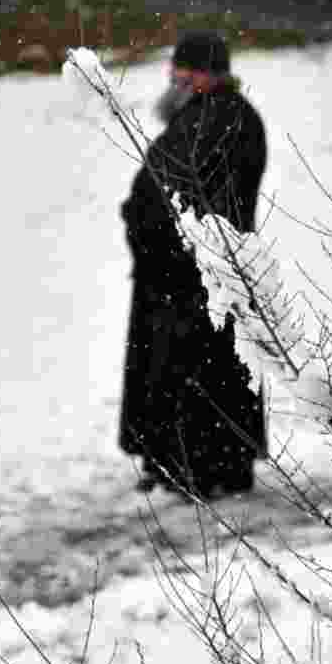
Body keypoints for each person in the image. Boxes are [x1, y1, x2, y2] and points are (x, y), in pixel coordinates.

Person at [118, 31, 269, 500]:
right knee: (180, 371)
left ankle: (200, 468)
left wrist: (159, 231)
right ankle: (175, 462)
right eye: (174, 71)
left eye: (184, 72)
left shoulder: (224, 119)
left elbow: (187, 194)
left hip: (198, 272)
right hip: (178, 270)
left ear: (207, 75)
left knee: (199, 374)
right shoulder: (204, 117)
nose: (174, 79)